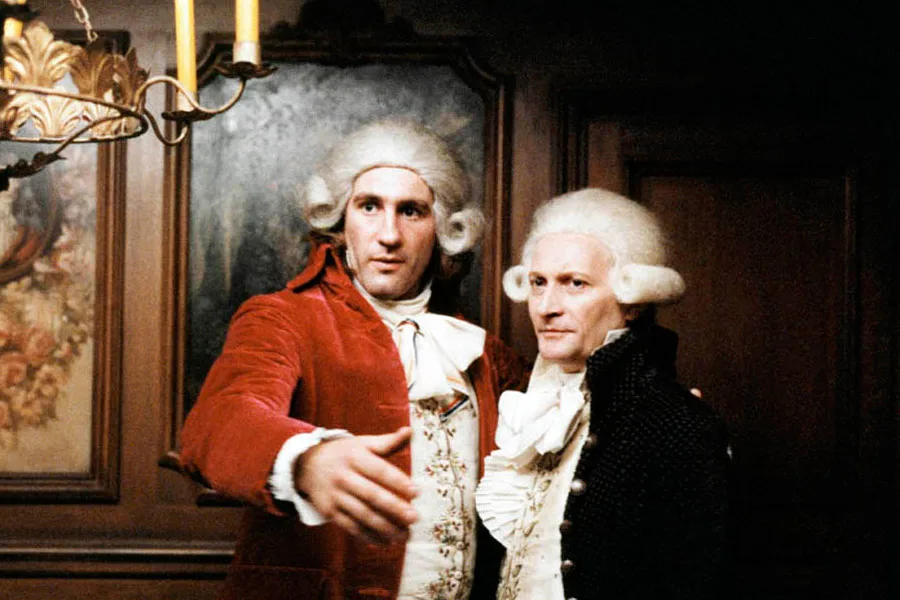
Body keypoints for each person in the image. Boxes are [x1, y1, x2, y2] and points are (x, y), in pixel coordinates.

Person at [179, 119, 526, 600]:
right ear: (341, 222)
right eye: (369, 207)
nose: (389, 234)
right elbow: (219, 421)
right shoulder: (285, 318)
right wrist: (305, 459)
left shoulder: (483, 353)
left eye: (412, 211)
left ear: (444, 230)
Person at [475, 188, 730, 599]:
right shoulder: (530, 405)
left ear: (632, 301)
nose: (546, 306)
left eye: (575, 283)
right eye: (538, 283)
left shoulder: (679, 423)